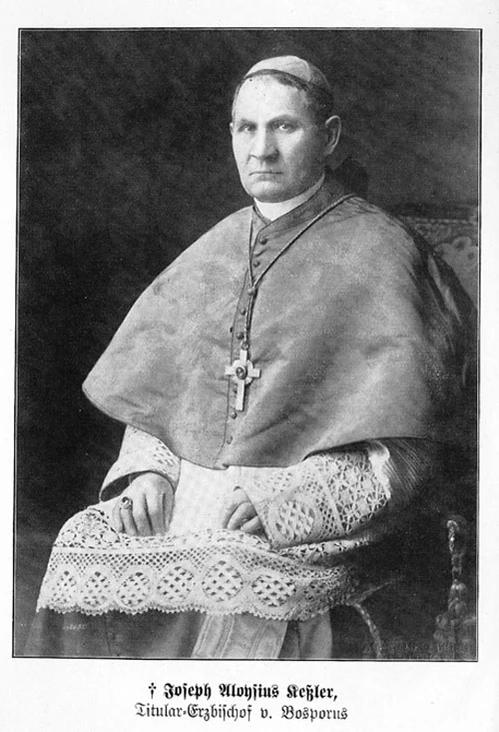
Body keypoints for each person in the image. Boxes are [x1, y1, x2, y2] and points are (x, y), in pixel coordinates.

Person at [27, 55, 475, 659]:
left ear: (329, 137)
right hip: (195, 484)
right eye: (247, 128)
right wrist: (148, 473)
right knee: (78, 546)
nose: (261, 149)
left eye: (284, 127)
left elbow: (410, 449)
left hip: (315, 505)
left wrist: (294, 506)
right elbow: (161, 396)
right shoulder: (213, 248)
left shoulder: (385, 252)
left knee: (228, 566)